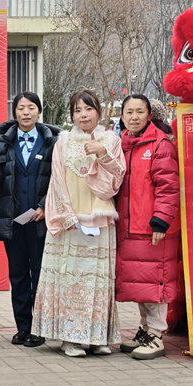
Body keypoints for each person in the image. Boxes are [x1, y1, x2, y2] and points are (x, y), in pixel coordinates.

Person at [32, 90, 126, 357]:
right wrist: (67, 216)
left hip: (100, 219)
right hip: (71, 221)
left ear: (99, 111)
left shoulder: (112, 141)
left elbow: (116, 181)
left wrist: (103, 155)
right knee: (69, 279)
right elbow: (57, 181)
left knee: (98, 281)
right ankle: (70, 338)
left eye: (88, 109)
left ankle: (97, 337)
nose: (83, 115)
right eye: (77, 110)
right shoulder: (63, 141)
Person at [0, 92, 60, 348]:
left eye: (30, 107)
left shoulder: (53, 141)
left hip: (41, 220)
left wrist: (44, 205)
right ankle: (22, 327)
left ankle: (39, 327)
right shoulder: (3, 141)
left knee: (40, 274)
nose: (25, 112)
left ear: (39, 111)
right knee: (17, 275)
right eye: (20, 108)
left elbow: (59, 179)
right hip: (13, 220)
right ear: (14, 112)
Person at [114, 94, 181, 360]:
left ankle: (156, 335)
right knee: (140, 285)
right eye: (129, 112)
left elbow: (169, 187)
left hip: (153, 228)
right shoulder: (121, 144)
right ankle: (144, 331)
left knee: (155, 284)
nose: (134, 117)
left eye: (140, 112)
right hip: (129, 228)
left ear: (150, 115)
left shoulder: (161, 144)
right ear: (122, 116)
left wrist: (161, 220)